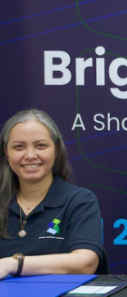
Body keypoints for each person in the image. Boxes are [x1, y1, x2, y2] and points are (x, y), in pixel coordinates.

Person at [0, 110, 102, 278]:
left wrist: (13, 264)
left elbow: (86, 263)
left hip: (61, 296)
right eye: (19, 147)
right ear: (6, 152)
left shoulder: (80, 201)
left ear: (56, 150)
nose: (30, 155)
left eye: (40, 146)